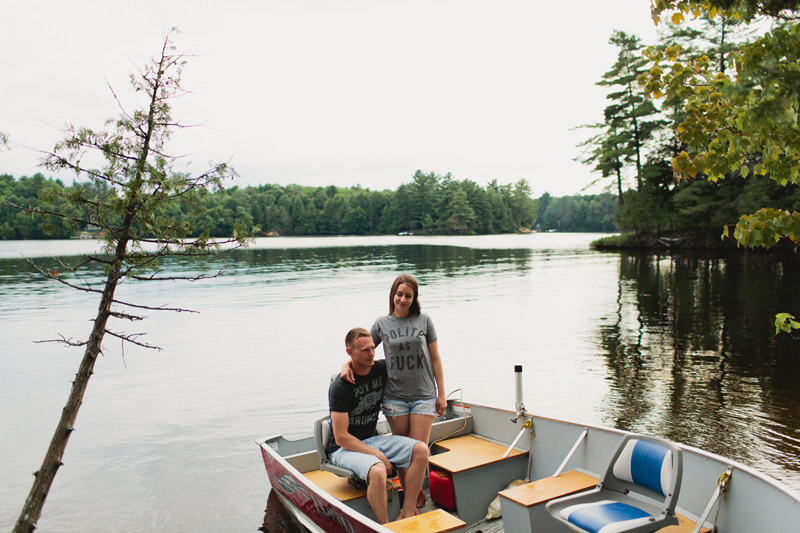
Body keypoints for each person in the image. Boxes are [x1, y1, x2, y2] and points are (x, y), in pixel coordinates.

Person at [342, 274, 446, 507]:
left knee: (418, 449)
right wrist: (345, 364)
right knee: (401, 452)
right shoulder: (382, 324)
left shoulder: (424, 320)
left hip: (423, 395)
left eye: (408, 296)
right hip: (394, 398)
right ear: (393, 295)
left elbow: (436, 358)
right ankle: (411, 491)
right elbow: (363, 350)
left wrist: (441, 394)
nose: (403, 299)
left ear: (414, 298)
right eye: (399, 294)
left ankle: (414, 491)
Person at [328, 327, 429, 524]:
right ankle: (384, 526)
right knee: (378, 469)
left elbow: (411, 363)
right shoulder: (340, 387)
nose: (371, 353)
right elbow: (340, 437)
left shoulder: (380, 369)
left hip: (371, 440)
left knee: (421, 450)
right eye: (365, 350)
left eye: (373, 348)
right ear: (350, 352)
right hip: (342, 449)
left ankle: (407, 511)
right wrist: (377, 454)